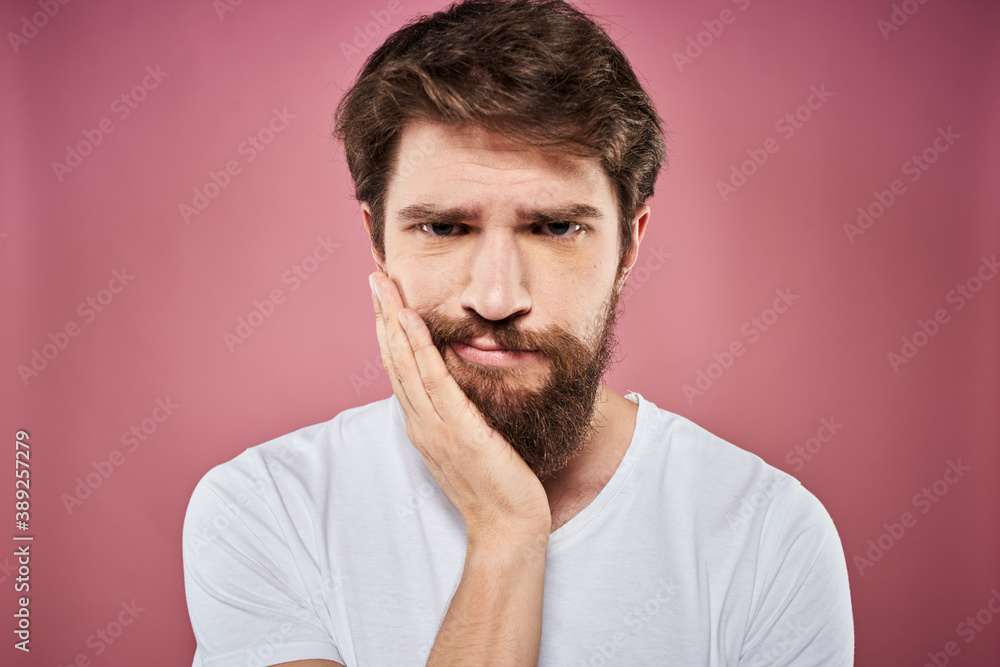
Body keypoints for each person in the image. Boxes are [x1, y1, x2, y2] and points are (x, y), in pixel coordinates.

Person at [182, 0, 854, 665]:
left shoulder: (768, 537)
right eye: (444, 227)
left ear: (629, 245)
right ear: (377, 242)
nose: (498, 298)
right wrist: (506, 533)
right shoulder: (264, 510)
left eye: (556, 227)